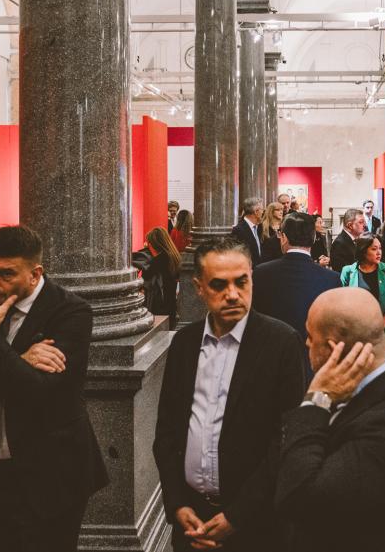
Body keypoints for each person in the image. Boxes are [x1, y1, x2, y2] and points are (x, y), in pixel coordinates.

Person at [0, 225, 109, 552]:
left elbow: (42, 392)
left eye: (5, 274)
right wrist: (19, 360)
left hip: (55, 470)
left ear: (35, 274)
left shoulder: (71, 311)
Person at [153, 237, 305, 552]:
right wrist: (178, 505)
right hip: (191, 519)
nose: (232, 294)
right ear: (199, 287)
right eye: (219, 285)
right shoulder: (184, 343)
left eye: (242, 282)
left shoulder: (281, 343)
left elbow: (286, 440)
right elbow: (168, 431)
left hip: (255, 524)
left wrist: (237, 516)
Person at [274, 288, 385, 552]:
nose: (306, 344)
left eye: (310, 336)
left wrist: (315, 401)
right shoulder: (367, 391)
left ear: (333, 349)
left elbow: (300, 499)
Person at [253, 212, 342, 376]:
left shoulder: (260, 273)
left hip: (271, 360)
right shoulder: (332, 279)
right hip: (313, 362)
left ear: (284, 237)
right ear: (314, 237)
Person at [339, 237, 385, 347]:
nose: (379, 252)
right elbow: (342, 304)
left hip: (383, 334)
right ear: (363, 251)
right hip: (356, 334)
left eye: (380, 248)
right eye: (374, 249)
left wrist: (380, 327)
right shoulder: (348, 271)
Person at [142, 227, 182, 328]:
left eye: (148, 243)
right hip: (171, 303)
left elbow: (145, 276)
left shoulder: (159, 260)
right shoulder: (173, 256)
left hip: (159, 305)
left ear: (154, 244)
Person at [231, 197, 265, 267]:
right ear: (256, 212)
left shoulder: (259, 227)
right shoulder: (239, 230)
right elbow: (237, 254)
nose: (263, 212)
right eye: (262, 210)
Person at [330, 208, 365, 273]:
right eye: (361, 222)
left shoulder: (356, 239)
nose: (364, 225)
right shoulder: (339, 244)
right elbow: (342, 272)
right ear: (350, 225)